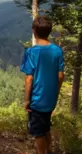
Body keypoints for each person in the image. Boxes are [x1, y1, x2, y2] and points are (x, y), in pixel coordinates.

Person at [21, 16, 65, 154]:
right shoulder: (57, 51)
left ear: (34, 31)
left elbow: (29, 78)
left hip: (37, 99)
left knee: (38, 132)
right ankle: (49, 151)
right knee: (45, 127)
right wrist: (55, 93)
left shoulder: (31, 52)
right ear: (49, 31)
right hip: (50, 98)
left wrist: (27, 100)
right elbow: (60, 76)